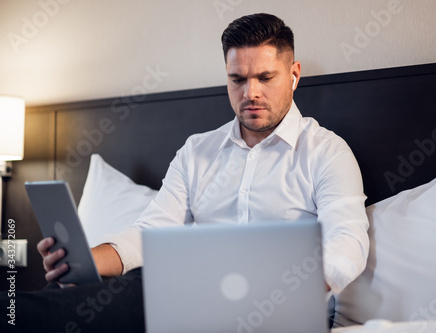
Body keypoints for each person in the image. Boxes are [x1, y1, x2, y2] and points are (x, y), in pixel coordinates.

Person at [1, 13, 369, 332]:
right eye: (237, 79)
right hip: (193, 298)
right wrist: (88, 261)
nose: (250, 92)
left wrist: (290, 287)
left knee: (150, 287)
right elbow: (152, 229)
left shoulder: (325, 151)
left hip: (282, 312)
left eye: (265, 77)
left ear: (293, 75)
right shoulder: (197, 151)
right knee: (73, 292)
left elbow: (348, 241)